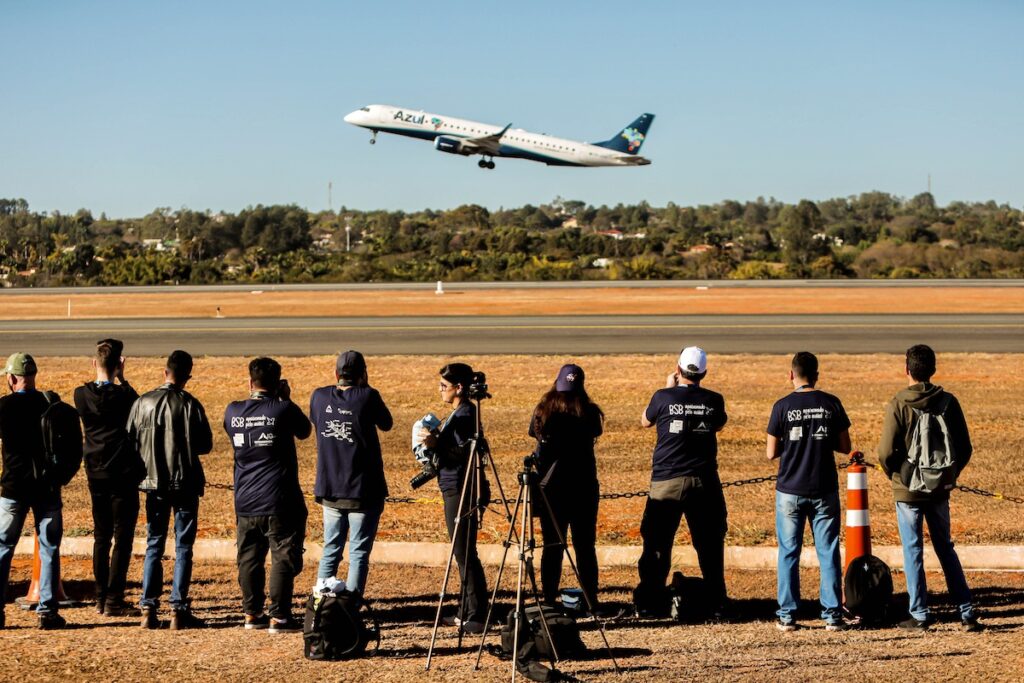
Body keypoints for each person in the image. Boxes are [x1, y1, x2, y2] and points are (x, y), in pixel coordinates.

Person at [878, 344, 980, 632]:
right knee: (945, 547)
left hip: (907, 489)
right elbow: (965, 447)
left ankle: (920, 613)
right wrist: (949, 474)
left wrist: (897, 476)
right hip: (939, 489)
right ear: (933, 369)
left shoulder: (898, 403)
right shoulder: (948, 402)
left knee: (913, 550)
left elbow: (885, 452)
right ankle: (966, 610)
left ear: (906, 369)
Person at [634, 346, 729, 619]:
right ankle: (717, 601)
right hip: (704, 481)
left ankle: (650, 601)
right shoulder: (713, 399)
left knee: (657, 543)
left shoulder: (662, 397)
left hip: (667, 480)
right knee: (710, 544)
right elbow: (719, 425)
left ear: (678, 369)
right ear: (704, 373)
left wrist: (667, 389)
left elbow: (645, 421)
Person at [225, 357, 312, 632]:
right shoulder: (282, 409)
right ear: (278, 384)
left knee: (249, 558)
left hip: (246, 499)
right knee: (283, 556)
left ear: (250, 382)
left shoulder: (233, 411)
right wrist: (286, 399)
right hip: (279, 497)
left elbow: (231, 430)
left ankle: (251, 612)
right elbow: (305, 430)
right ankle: (280, 615)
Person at [766, 352, 852, 632]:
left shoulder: (781, 406)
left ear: (791, 375)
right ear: (817, 374)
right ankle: (832, 615)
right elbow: (843, 445)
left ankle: (787, 615)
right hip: (824, 488)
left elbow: (771, 453)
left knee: (789, 552)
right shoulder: (831, 403)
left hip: (789, 489)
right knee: (827, 551)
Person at [128, 350, 213, 630]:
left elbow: (130, 439)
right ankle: (178, 607)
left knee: (154, 544)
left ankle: (148, 607)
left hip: (154, 484)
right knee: (183, 547)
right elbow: (205, 445)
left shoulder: (143, 402)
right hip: (185, 482)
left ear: (165, 372)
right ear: (187, 377)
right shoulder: (191, 405)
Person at [309, 351, 392, 597]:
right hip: (362, 490)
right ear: (363, 375)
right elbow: (386, 423)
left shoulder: (319, 396)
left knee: (331, 548)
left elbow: (316, 418)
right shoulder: (368, 396)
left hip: (330, 489)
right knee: (358, 553)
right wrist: (365, 387)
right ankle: (352, 604)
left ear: (336, 375)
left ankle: (321, 603)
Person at [73, 339, 143, 618]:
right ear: (118, 366)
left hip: (95, 470)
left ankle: (101, 595)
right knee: (122, 537)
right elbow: (135, 404)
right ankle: (114, 597)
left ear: (94, 363)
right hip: (122, 473)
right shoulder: (125, 396)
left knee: (101, 537)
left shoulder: (80, 394)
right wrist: (122, 379)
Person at [419, 362, 489, 634]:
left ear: (459, 388)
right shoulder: (461, 413)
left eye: (444, 386)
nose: (440, 390)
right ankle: (466, 609)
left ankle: (475, 613)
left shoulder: (465, 414)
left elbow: (465, 454)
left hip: (460, 488)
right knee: (463, 552)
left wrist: (437, 444)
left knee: (464, 552)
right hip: (455, 485)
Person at [0, 353, 68, 630]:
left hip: (13, 487)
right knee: (49, 548)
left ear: (11, 378)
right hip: (46, 487)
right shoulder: (49, 404)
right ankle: (47, 612)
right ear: (34, 376)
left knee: (4, 547)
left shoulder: (3, 406)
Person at [528, 363, 603, 608]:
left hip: (552, 488)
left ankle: (549, 599)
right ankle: (591, 599)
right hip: (583, 487)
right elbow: (596, 431)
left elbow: (533, 434)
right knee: (585, 547)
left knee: (552, 546)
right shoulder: (589, 412)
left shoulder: (543, 411)